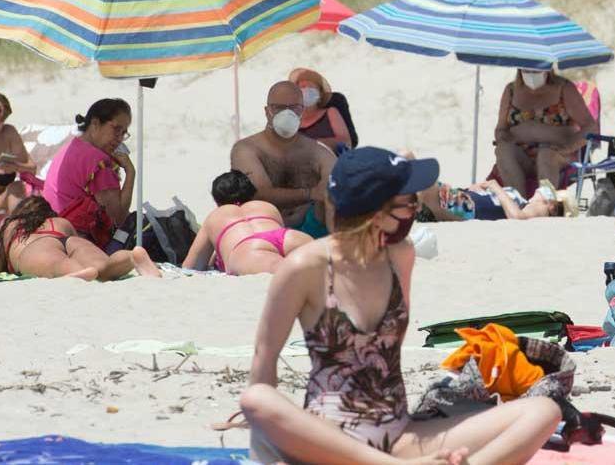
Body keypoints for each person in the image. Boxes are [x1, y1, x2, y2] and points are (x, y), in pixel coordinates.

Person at [240, 147, 561, 464]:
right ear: (376, 213)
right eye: (409, 202)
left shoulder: (400, 256)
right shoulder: (304, 267)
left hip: (398, 433)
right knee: (257, 400)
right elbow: (263, 361)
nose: (417, 206)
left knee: (543, 410)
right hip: (330, 440)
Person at [231, 81, 336, 239]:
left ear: (302, 110)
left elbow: (337, 187)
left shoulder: (317, 152)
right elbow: (259, 194)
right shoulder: (246, 149)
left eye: (294, 108)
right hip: (264, 230)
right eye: (279, 108)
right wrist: (310, 193)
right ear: (267, 112)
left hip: (310, 230)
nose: (288, 114)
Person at [0, 195, 160, 279]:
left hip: (37, 247)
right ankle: (131, 256)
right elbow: (70, 247)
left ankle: (75, 272)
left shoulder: (10, 224)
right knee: (104, 266)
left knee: (59, 264)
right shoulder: (60, 222)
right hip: (68, 239)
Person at [41, 98, 135, 253]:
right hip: (77, 240)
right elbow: (118, 218)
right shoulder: (98, 161)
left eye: (124, 133)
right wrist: (130, 172)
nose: (119, 138)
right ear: (95, 123)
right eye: (116, 129)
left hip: (52, 231)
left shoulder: (72, 147)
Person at [183, 170, 313, 275]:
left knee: (283, 271)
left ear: (217, 201)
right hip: (287, 237)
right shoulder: (266, 206)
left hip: (248, 248)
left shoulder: (215, 216)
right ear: (252, 194)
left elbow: (191, 267)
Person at [493, 67, 595, 194]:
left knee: (546, 154)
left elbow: (591, 127)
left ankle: (545, 204)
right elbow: (500, 129)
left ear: (547, 68)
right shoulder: (511, 91)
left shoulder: (563, 88)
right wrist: (504, 137)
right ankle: (518, 203)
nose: (531, 74)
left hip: (557, 156)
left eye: (536, 69)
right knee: (503, 151)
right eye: (526, 69)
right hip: (523, 157)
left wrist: (568, 147)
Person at [420, 179, 566, 222]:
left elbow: (518, 218)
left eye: (546, 192)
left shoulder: (537, 208)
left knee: (419, 181)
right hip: (459, 198)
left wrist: (496, 187)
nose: (539, 189)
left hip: (463, 206)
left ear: (552, 207)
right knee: (409, 160)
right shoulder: (520, 200)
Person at [291, 68, 353, 153]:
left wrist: (317, 143)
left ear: (320, 94)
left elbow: (346, 142)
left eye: (311, 87)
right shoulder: (291, 121)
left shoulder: (330, 112)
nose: (306, 91)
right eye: (303, 87)